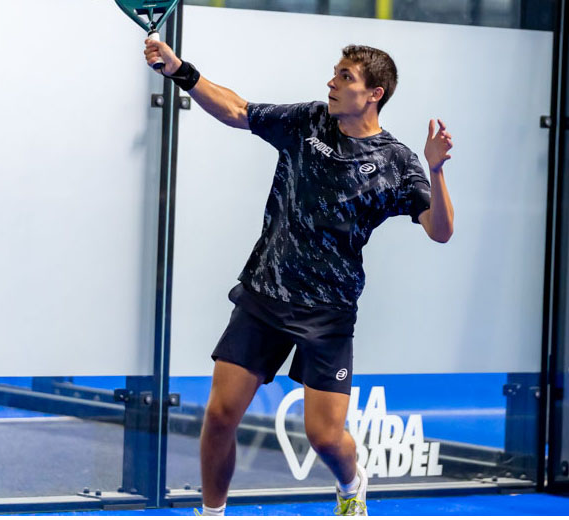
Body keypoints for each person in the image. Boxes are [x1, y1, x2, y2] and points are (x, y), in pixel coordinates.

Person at [143, 38, 454, 516]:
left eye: (345, 77)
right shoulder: (308, 121)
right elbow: (238, 110)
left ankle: (351, 484)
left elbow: (439, 230)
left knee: (324, 437)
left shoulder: (396, 161)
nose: (332, 83)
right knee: (220, 415)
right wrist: (180, 71)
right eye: (335, 73)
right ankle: (212, 513)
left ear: (375, 94)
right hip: (264, 294)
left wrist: (435, 170)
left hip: (328, 314)